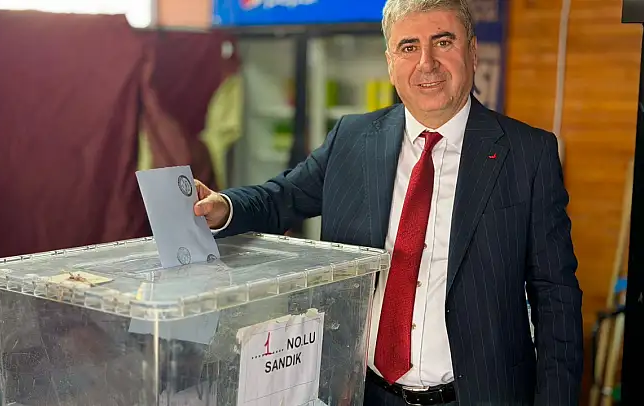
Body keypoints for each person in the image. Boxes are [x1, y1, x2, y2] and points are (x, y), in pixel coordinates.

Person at [193, 0, 583, 404]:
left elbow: (557, 298)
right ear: (390, 63)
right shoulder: (351, 139)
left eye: (443, 42)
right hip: (364, 394)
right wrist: (224, 207)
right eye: (408, 47)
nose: (426, 62)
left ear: (472, 50)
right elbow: (281, 199)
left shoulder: (527, 154)